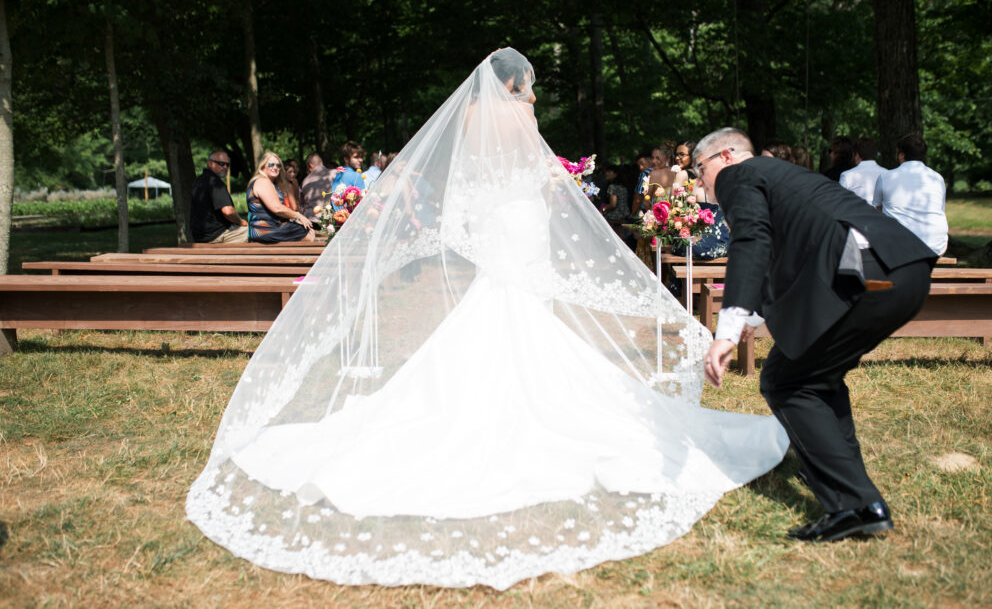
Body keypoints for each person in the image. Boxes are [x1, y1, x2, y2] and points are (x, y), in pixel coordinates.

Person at [187, 49, 787, 590]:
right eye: (527, 85)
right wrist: (560, 176)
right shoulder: (517, 118)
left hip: (498, 228)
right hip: (520, 219)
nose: (531, 95)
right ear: (514, 84)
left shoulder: (470, 121)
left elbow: (463, 196)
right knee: (525, 313)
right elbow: (535, 170)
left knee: (498, 312)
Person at [693, 127, 936, 544]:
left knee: (786, 380)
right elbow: (785, 257)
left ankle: (853, 504)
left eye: (700, 169)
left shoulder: (740, 175)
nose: (699, 182)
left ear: (727, 156)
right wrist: (751, 322)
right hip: (905, 270)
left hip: (865, 276)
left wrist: (728, 328)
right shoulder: (783, 178)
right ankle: (847, 487)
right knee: (815, 376)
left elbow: (752, 241)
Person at [872, 133, 948, 255]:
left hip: (898, 246)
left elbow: (878, 210)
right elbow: (939, 210)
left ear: (902, 155)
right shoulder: (937, 178)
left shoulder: (885, 177)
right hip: (935, 245)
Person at [246, 152, 315, 243]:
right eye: (271, 164)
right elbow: (277, 208)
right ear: (263, 166)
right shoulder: (263, 182)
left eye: (278, 165)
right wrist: (298, 216)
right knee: (307, 232)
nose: (275, 167)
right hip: (265, 230)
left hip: (269, 228)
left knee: (305, 229)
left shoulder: (269, 183)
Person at [189, 151, 247, 243]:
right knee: (257, 232)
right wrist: (241, 222)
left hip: (200, 237)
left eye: (227, 165)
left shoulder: (199, 181)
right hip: (217, 236)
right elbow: (228, 211)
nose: (225, 167)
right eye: (221, 164)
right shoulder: (215, 182)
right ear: (210, 163)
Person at [839, 137, 885, 205]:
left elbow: (840, 203)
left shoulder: (847, 176)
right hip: (880, 215)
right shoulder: (887, 174)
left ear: (857, 155)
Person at [300, 154, 334, 219]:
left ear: (310, 166)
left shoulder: (305, 180)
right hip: (329, 219)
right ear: (321, 163)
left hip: (310, 220)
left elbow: (304, 202)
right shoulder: (335, 174)